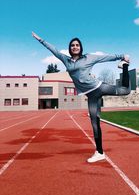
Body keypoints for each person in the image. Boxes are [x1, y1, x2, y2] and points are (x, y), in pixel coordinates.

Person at [32, 32, 131, 163]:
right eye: (72, 45)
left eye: (77, 45)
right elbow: (54, 50)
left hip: (98, 87)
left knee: (125, 91)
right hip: (91, 95)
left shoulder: (88, 58)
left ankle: (124, 66)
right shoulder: (66, 60)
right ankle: (100, 152)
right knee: (94, 123)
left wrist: (121, 56)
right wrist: (40, 40)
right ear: (70, 48)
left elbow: (105, 57)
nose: (75, 47)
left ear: (80, 47)